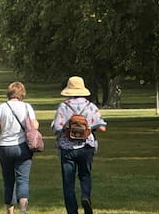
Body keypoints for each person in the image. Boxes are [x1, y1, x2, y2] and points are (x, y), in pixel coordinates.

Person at [0, 82, 38, 214]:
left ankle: (10, 211)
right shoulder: (27, 107)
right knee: (23, 179)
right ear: (22, 94)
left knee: (8, 180)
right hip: (22, 147)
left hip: (5, 147)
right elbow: (35, 126)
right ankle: (23, 209)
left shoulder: (0, 108)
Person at [52, 76, 107, 214]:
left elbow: (56, 128)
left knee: (68, 181)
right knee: (85, 175)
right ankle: (85, 196)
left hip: (67, 148)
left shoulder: (63, 107)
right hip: (86, 147)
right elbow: (101, 127)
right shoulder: (91, 107)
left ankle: (72, 210)